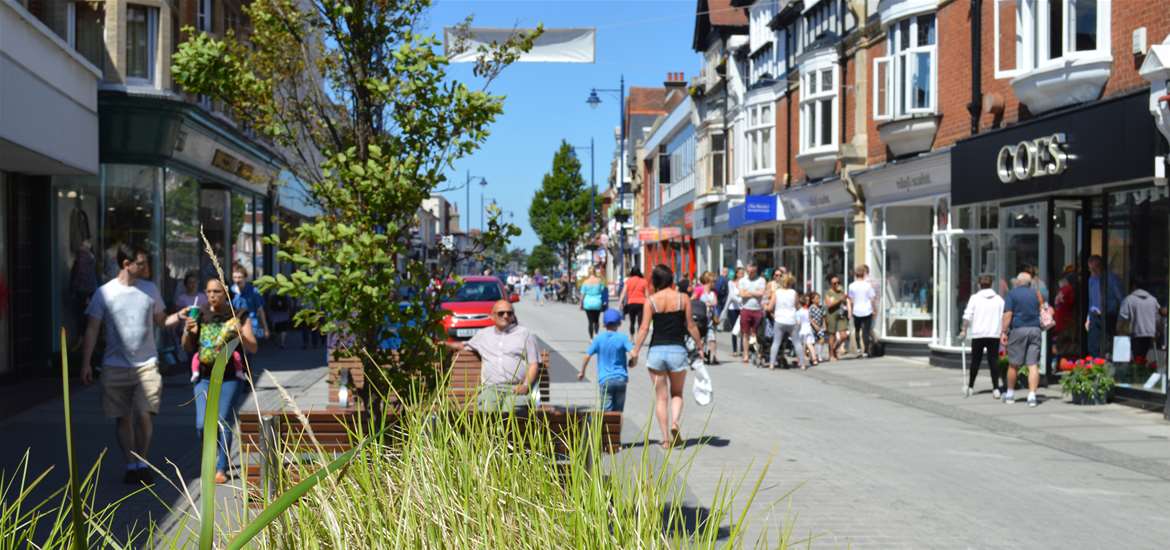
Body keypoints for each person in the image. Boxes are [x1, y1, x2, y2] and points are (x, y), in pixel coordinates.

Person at [81, 245, 186, 485]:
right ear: (126, 264)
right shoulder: (104, 293)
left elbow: (161, 321)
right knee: (123, 417)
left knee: (144, 414)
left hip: (146, 364)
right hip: (114, 365)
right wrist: (86, 363)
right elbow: (92, 328)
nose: (146, 268)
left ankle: (142, 461)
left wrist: (178, 317)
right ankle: (131, 464)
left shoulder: (149, 290)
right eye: (141, 263)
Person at [184, 278, 258, 484]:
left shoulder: (239, 315)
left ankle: (220, 467)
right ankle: (214, 454)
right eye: (208, 292)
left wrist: (239, 333)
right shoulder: (199, 314)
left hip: (229, 377)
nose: (211, 296)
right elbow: (188, 347)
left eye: (216, 291)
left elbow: (253, 347)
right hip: (203, 377)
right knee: (202, 424)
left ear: (226, 293)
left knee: (223, 420)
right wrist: (187, 330)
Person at [632, 265, 704, 449]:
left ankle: (665, 439)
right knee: (677, 393)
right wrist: (700, 345)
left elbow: (644, 328)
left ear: (655, 281)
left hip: (656, 352)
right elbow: (690, 325)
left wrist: (635, 350)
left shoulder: (651, 301)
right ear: (672, 279)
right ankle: (675, 424)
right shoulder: (683, 299)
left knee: (661, 397)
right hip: (677, 351)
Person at [453, 300, 540, 411]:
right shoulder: (483, 335)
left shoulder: (525, 334)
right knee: (487, 412)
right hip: (491, 388)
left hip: (515, 388)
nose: (505, 316)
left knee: (510, 412)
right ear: (492, 316)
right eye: (501, 313)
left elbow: (533, 363)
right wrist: (443, 344)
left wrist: (526, 385)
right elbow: (463, 346)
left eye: (509, 313)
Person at [578, 309, 635, 412]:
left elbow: (587, 356)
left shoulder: (598, 339)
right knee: (618, 414)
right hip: (621, 379)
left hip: (605, 380)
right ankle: (617, 428)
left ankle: (606, 428)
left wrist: (582, 371)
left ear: (604, 324)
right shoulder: (623, 338)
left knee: (607, 415)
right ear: (619, 323)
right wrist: (632, 362)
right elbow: (634, 354)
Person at [960, 274, 1006, 399]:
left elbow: (967, 315)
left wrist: (964, 330)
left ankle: (970, 386)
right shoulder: (999, 300)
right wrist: (1003, 332)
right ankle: (996, 388)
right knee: (993, 361)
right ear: (991, 284)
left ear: (980, 285)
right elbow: (1004, 317)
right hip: (993, 334)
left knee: (975, 361)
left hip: (978, 334)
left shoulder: (974, 298)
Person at [1001, 272, 1043, 407]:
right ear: (1029, 283)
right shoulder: (1036, 294)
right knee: (1033, 364)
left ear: (1018, 282)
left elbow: (1008, 314)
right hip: (1035, 329)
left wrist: (1003, 332)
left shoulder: (1012, 294)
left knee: (1014, 364)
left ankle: (1010, 394)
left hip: (1018, 329)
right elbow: (1043, 308)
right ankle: (1032, 396)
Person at [1086, 255, 1123, 357]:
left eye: (1093, 268)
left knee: (1108, 344)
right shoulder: (1091, 280)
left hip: (1108, 315)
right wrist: (1088, 318)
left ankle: (1107, 365)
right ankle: (1096, 366)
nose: (1092, 271)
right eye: (1090, 269)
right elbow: (1091, 300)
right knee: (1093, 345)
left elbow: (1120, 298)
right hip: (1094, 315)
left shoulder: (1111, 278)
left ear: (1099, 266)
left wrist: (1121, 318)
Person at [1118, 278, 1162, 362]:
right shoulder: (1153, 300)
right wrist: (1158, 331)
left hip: (1135, 333)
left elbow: (1122, 318)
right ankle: (1143, 371)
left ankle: (1137, 372)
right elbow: (1158, 318)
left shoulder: (1129, 299)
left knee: (1136, 357)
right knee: (1144, 356)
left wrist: (1119, 330)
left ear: (1133, 287)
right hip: (1149, 333)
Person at [766, 274, 803, 370]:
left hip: (779, 320)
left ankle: (772, 364)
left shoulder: (777, 292)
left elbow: (770, 308)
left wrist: (765, 307)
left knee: (776, 342)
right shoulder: (793, 292)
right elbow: (798, 306)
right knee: (797, 342)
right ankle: (802, 364)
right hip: (791, 319)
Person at [231, 265, 269, 342]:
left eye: (240, 277)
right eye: (235, 277)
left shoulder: (254, 291)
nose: (237, 280)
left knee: (247, 350)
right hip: (235, 326)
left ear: (245, 278)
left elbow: (260, 310)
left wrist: (266, 328)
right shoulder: (231, 291)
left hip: (251, 325)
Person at [737, 263, 767, 364]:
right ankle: (746, 354)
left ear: (756, 270)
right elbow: (741, 293)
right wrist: (755, 292)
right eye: (748, 271)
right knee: (745, 333)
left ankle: (758, 352)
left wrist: (748, 292)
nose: (750, 273)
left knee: (757, 333)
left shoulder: (761, 280)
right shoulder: (742, 280)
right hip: (746, 309)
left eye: (752, 272)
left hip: (757, 309)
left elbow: (761, 293)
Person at [847, 266, 877, 357]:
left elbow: (851, 300)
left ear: (856, 275)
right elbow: (872, 298)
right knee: (866, 331)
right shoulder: (868, 285)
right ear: (864, 274)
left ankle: (859, 348)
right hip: (867, 310)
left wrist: (850, 311)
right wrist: (874, 309)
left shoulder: (851, 285)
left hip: (857, 310)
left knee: (857, 329)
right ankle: (866, 351)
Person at [696, 272, 720, 364]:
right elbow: (692, 300)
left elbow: (715, 303)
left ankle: (713, 356)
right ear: (708, 281)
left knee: (712, 338)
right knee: (700, 338)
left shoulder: (713, 293)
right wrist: (703, 304)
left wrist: (709, 303)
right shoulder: (699, 290)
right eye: (713, 282)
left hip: (709, 319)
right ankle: (699, 355)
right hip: (700, 318)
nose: (714, 284)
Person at [824, 275, 849, 361]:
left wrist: (845, 300)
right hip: (832, 315)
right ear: (831, 284)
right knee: (832, 335)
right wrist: (840, 300)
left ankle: (834, 349)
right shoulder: (828, 293)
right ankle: (831, 355)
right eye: (834, 283)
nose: (837, 284)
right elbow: (829, 305)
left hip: (841, 315)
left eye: (838, 282)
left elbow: (844, 303)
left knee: (844, 336)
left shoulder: (841, 291)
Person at [619, 267, 648, 337]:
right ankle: (639, 336)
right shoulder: (644, 281)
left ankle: (632, 337)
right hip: (641, 304)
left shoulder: (628, 281)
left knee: (632, 322)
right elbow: (647, 295)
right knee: (640, 322)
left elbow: (623, 292)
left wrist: (620, 302)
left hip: (631, 303)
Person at [580, 268, 606, 340]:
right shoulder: (599, 281)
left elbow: (582, 295)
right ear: (595, 272)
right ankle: (596, 334)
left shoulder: (585, 282)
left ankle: (591, 338)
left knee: (590, 321)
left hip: (588, 303)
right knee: (596, 320)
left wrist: (580, 304)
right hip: (597, 302)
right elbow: (602, 290)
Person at [724, 267, 744, 355]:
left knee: (743, 329)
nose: (742, 275)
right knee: (734, 330)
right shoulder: (731, 283)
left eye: (743, 273)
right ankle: (735, 350)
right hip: (732, 308)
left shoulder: (744, 283)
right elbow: (732, 295)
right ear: (736, 274)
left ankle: (743, 349)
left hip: (742, 308)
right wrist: (740, 300)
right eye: (740, 273)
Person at [797, 294, 818, 368]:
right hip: (808, 329)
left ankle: (800, 360)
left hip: (802, 330)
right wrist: (815, 326)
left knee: (802, 346)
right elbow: (810, 320)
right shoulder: (808, 310)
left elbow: (798, 323)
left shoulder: (799, 312)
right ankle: (814, 359)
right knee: (810, 345)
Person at [808, 292, 826, 363]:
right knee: (813, 342)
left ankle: (819, 355)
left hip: (820, 327)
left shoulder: (821, 307)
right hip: (812, 327)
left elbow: (823, 317)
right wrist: (814, 325)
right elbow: (809, 318)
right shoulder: (811, 307)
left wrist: (824, 325)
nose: (818, 300)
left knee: (822, 340)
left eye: (819, 298)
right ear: (812, 300)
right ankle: (812, 356)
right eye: (817, 298)